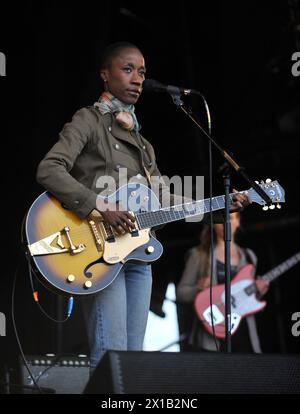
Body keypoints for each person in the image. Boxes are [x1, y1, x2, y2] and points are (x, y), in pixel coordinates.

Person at [36, 41, 250, 370]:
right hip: (98, 252)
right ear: (104, 75)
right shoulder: (88, 121)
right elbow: (49, 169)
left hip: (138, 254)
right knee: (110, 356)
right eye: (128, 69)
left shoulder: (143, 144)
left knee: (132, 361)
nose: (138, 78)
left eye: (142, 72)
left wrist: (219, 207)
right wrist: (99, 205)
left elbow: (164, 199)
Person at [177, 212, 269, 353]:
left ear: (238, 221)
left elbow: (247, 298)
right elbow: (181, 293)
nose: (226, 223)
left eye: (231, 218)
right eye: (221, 219)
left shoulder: (249, 256)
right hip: (211, 334)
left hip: (243, 333)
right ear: (213, 224)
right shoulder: (199, 255)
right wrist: (198, 288)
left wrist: (258, 293)